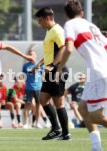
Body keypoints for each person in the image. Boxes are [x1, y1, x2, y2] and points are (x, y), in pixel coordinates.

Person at [57, 1, 107, 150]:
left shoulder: (70, 25)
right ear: (82, 12)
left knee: (97, 117)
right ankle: (96, 147)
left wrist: (60, 68)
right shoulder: (91, 26)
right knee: (83, 109)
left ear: (67, 15)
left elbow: (69, 49)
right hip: (100, 73)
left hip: (99, 74)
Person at [33, 7, 70, 140]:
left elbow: (63, 48)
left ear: (48, 18)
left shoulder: (57, 30)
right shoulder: (50, 31)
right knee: (43, 98)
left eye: (40, 20)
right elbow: (50, 53)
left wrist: (53, 66)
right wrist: (39, 65)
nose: (39, 23)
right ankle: (56, 128)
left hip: (58, 70)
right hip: (50, 69)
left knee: (58, 102)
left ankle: (65, 133)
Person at [22, 50, 48, 129]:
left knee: (38, 105)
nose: (30, 55)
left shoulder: (40, 64)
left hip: (38, 88)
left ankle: (37, 123)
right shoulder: (25, 65)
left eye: (32, 54)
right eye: (29, 54)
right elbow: (23, 75)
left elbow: (43, 75)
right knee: (27, 105)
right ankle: (26, 123)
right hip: (28, 88)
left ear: (35, 56)